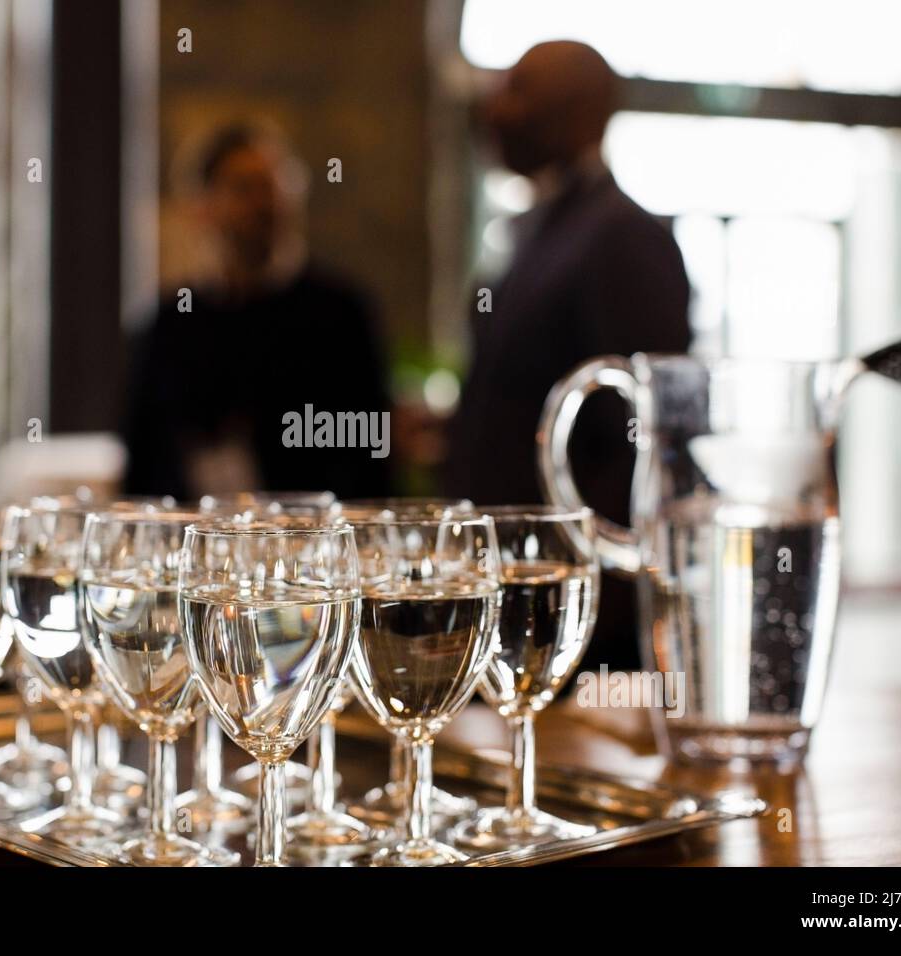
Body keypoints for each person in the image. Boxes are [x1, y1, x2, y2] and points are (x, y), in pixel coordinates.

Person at [445, 42, 691, 669]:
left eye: (519, 87)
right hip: (513, 596)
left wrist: (575, 608)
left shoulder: (623, 238)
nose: (496, 105)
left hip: (572, 625)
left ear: (583, 108)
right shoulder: (542, 228)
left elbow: (646, 440)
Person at [122, 123, 392, 501]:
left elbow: (367, 451)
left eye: (275, 187)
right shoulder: (169, 323)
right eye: (244, 188)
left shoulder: (339, 313)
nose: (265, 204)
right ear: (202, 206)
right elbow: (145, 461)